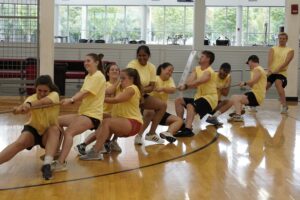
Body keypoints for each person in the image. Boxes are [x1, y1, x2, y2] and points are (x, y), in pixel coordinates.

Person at [51, 53, 106, 171]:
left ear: (96, 62)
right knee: (56, 121)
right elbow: (84, 95)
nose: (86, 63)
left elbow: (85, 93)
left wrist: (71, 99)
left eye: (88, 60)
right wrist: (72, 101)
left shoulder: (98, 76)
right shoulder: (88, 77)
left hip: (92, 115)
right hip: (83, 113)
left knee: (69, 133)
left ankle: (61, 163)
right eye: (85, 61)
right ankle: (57, 152)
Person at [0, 75, 61, 180]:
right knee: (19, 143)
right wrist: (18, 110)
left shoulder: (54, 95)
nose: (42, 94)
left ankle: (47, 166)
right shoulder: (31, 98)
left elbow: (43, 102)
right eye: (39, 90)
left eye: (45, 91)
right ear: (35, 88)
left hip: (48, 133)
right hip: (33, 129)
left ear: (50, 90)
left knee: (54, 129)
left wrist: (28, 104)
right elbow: (25, 110)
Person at [80, 68, 143, 160]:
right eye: (120, 78)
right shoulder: (119, 87)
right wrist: (118, 82)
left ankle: (96, 151)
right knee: (98, 117)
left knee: (107, 122)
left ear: (131, 78)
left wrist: (98, 99)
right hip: (122, 121)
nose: (121, 80)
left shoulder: (132, 89)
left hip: (133, 123)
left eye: (123, 78)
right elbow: (108, 91)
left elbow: (116, 100)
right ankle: (99, 144)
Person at [74, 64, 122, 155]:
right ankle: (84, 145)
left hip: (114, 113)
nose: (115, 71)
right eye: (112, 70)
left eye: (117, 70)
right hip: (102, 112)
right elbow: (109, 91)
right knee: (104, 128)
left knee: (118, 121)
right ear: (108, 73)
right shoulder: (105, 84)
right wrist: (119, 80)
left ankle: (110, 142)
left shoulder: (121, 86)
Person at [206, 55, 267, 124]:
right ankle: (219, 116)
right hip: (256, 94)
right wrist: (245, 84)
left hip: (257, 95)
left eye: (248, 63)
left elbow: (253, 81)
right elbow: (252, 84)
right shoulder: (257, 70)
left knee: (235, 98)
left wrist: (245, 83)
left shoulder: (257, 69)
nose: (248, 65)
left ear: (251, 61)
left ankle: (238, 115)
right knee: (236, 99)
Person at [127, 45, 166, 145]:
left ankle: (150, 134)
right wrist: (142, 89)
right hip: (130, 95)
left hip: (142, 96)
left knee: (162, 106)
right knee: (123, 117)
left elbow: (152, 87)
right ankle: (111, 140)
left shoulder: (151, 67)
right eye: (139, 55)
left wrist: (142, 90)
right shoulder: (132, 64)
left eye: (144, 55)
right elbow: (130, 84)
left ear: (149, 56)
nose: (141, 58)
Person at [176, 50, 218, 137]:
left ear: (208, 59)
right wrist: (184, 85)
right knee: (178, 101)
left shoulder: (209, 71)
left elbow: (199, 81)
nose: (200, 58)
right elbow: (190, 80)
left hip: (210, 99)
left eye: (202, 56)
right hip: (199, 97)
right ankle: (180, 124)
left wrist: (186, 86)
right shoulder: (197, 69)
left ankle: (188, 129)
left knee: (190, 105)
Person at [143, 62, 183, 143]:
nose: (170, 73)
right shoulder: (155, 78)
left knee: (179, 120)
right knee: (149, 112)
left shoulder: (170, 80)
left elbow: (173, 90)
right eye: (169, 70)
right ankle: (142, 135)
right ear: (162, 69)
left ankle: (168, 133)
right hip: (149, 110)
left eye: (172, 71)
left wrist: (162, 89)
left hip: (160, 112)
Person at [267, 32, 294, 114]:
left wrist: (278, 69)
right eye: (280, 38)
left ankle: (284, 105)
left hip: (282, 72)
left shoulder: (290, 50)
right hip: (272, 72)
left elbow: (287, 61)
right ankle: (253, 104)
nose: (281, 40)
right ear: (278, 39)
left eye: (283, 39)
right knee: (264, 86)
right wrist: (270, 69)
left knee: (278, 83)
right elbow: (270, 60)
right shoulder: (273, 49)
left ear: (286, 40)